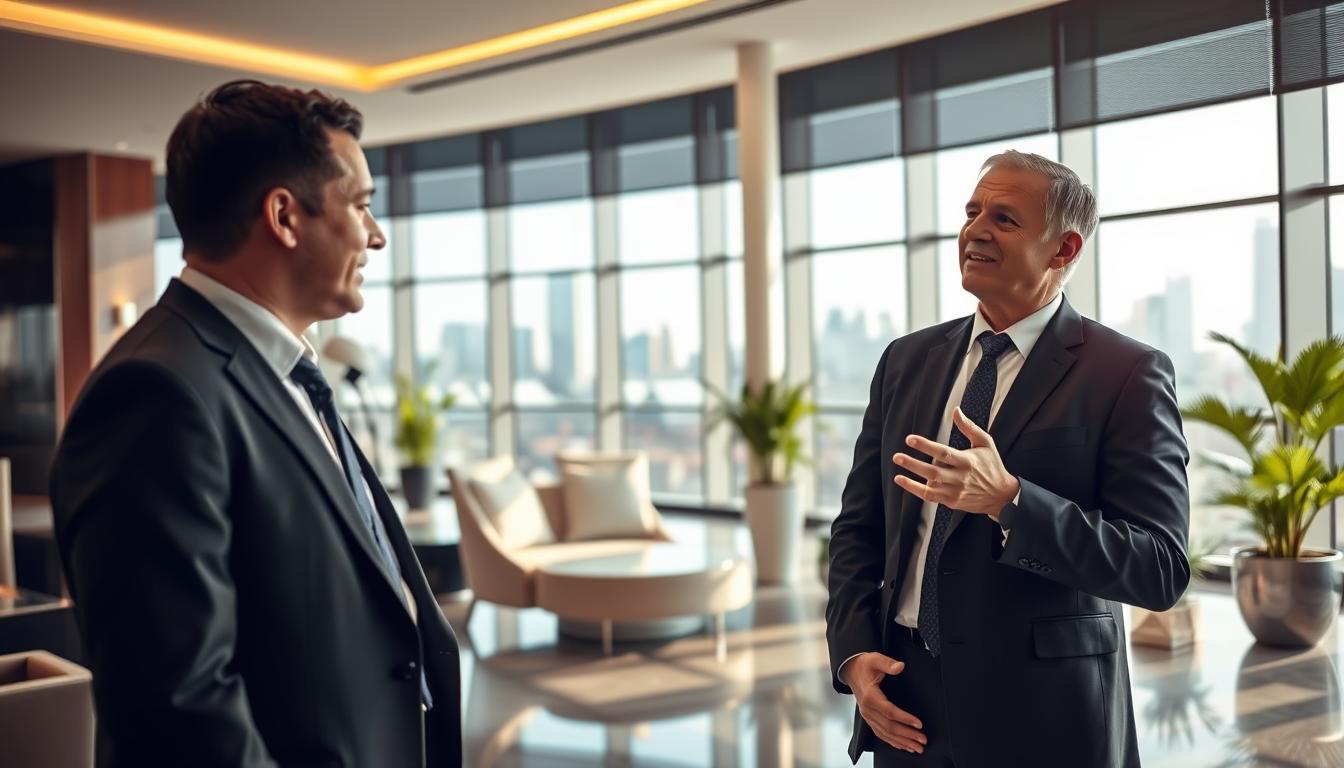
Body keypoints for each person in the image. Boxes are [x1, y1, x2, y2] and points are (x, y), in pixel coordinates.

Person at [49, 79, 461, 767]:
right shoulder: (156, 393)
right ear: (284, 216)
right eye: (361, 206)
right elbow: (178, 712)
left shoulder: (283, 372)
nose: (377, 235)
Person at [825, 151, 1190, 768]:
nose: (975, 229)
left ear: (1064, 249)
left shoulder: (1127, 373)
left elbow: (1158, 567)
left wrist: (1011, 501)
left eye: (1004, 217)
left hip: (1046, 711)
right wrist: (854, 656)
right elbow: (859, 529)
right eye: (971, 212)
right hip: (903, 701)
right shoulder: (905, 362)